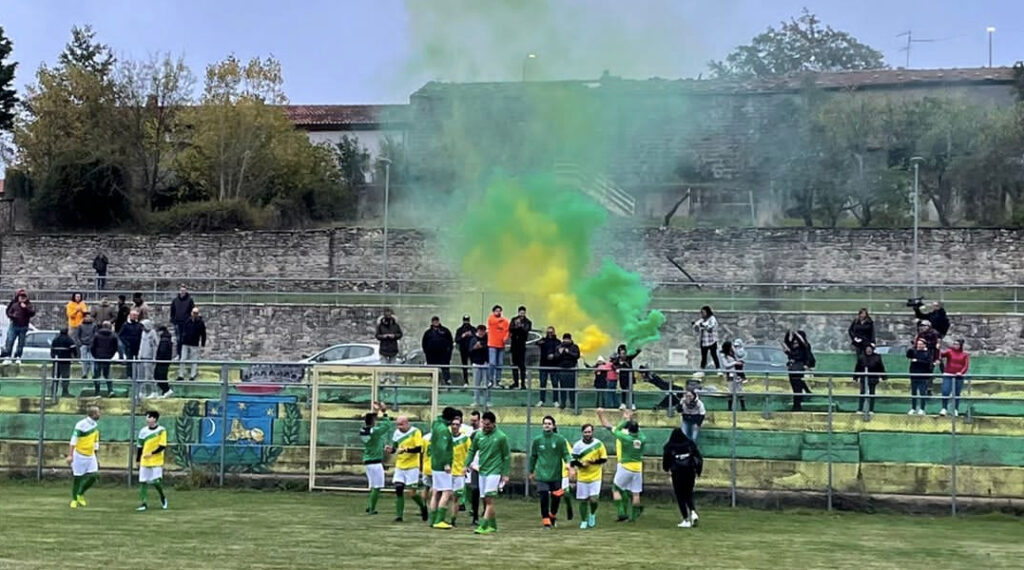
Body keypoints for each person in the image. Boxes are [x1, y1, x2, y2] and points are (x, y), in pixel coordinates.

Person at [597, 407, 646, 522]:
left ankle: (621, 512)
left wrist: (624, 419)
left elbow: (611, 428)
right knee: (635, 493)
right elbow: (637, 430)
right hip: (638, 467)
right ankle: (634, 516)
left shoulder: (624, 437)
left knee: (616, 488)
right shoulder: (642, 438)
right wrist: (630, 419)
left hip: (625, 465)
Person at [465, 411, 510, 535]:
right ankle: (493, 525)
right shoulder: (479, 435)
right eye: (484, 424)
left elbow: (506, 456)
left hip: (494, 471)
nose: (485, 427)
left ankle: (483, 525)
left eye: (488, 425)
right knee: (485, 499)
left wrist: (505, 474)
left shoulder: (501, 437)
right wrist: (466, 464)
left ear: (494, 424)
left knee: (489, 498)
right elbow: (472, 450)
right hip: (482, 470)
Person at [529, 415, 575, 529]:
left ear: (553, 426)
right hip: (542, 474)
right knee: (544, 496)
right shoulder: (537, 440)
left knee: (556, 497)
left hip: (556, 474)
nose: (547, 425)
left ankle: (552, 515)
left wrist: (569, 465)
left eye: (549, 423)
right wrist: (531, 471)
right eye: (545, 423)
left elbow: (565, 454)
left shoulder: (560, 440)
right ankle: (546, 521)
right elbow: (533, 456)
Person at [386, 415, 428, 522]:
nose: (399, 426)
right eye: (397, 424)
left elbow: (419, 448)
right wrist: (390, 450)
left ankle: (423, 507)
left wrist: (406, 450)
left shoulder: (415, 432)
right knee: (398, 488)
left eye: (401, 424)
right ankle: (399, 515)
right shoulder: (396, 433)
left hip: (412, 466)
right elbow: (395, 448)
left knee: (412, 493)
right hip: (400, 465)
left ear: (407, 423)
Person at [662, 427, 703, 528]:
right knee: (688, 494)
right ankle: (693, 512)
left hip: (677, 474)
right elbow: (698, 458)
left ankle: (686, 519)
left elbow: (666, 461)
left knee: (680, 496)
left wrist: (666, 468)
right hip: (690, 473)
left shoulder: (669, 446)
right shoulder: (690, 444)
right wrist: (698, 471)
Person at [571, 423, 608, 530]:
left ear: (592, 432)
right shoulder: (578, 445)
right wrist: (581, 465)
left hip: (595, 476)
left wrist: (593, 462)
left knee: (594, 499)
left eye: (589, 432)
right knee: (583, 500)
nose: (587, 434)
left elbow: (604, 459)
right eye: (585, 432)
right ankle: (583, 520)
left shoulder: (598, 444)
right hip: (582, 476)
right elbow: (573, 461)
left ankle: (592, 514)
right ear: (582, 433)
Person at [428, 406, 458, 529]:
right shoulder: (444, 430)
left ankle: (433, 519)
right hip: (442, 465)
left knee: (436, 492)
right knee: (447, 492)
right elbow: (443, 448)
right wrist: (446, 463)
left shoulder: (436, 424)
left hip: (434, 463)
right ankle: (439, 520)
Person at [360, 401, 392, 515]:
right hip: (375, 462)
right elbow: (387, 425)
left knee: (373, 486)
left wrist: (375, 411)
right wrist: (384, 412)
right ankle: (372, 508)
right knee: (377, 486)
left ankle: (370, 506)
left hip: (368, 460)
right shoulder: (375, 432)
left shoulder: (364, 430)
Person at [67, 405, 101, 508]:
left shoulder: (95, 425)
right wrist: (70, 455)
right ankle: (74, 499)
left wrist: (96, 455)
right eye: (98, 412)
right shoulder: (80, 425)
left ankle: (80, 493)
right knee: (78, 478)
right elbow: (73, 440)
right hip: (79, 454)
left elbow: (95, 441)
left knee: (94, 476)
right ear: (93, 414)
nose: (100, 414)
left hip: (90, 455)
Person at [134, 410, 168, 511]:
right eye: (147, 417)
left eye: (149, 417)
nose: (147, 419)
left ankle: (163, 497)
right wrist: (138, 460)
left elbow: (162, 446)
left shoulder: (162, 430)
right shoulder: (143, 431)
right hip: (145, 460)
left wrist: (152, 453)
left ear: (154, 419)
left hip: (157, 460)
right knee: (143, 481)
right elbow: (140, 447)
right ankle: (143, 503)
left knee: (156, 481)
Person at [783, 330, 815, 411]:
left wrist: (796, 334)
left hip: (798, 368)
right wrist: (788, 332)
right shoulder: (792, 349)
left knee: (798, 388)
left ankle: (797, 405)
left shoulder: (804, 347)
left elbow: (802, 341)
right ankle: (797, 404)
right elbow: (786, 342)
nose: (795, 342)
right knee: (795, 388)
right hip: (792, 369)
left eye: (797, 340)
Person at [449, 415, 472, 527]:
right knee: (441, 495)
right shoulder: (446, 438)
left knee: (455, 497)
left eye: (457, 424)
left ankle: (453, 519)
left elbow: (470, 453)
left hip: (459, 472)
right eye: (453, 424)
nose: (454, 426)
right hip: (446, 472)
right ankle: (438, 517)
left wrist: (466, 466)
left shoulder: (465, 439)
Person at [4, 289, 35, 364]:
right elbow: (8, 312)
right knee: (10, 340)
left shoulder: (29, 305)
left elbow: (32, 313)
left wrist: (25, 308)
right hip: (14, 325)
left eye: (24, 297)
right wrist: (12, 316)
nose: (22, 298)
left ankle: (18, 356)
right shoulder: (14, 304)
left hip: (23, 326)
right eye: (21, 297)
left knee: (21, 343)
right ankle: (8, 356)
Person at [940, 339, 970, 417]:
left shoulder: (965, 354)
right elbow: (941, 355)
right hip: (948, 374)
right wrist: (937, 349)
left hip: (958, 376)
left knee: (957, 393)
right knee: (945, 391)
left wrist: (961, 372)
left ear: (960, 346)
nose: (955, 346)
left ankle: (955, 409)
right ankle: (944, 408)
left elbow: (966, 365)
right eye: (954, 344)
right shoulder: (949, 352)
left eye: (957, 344)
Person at [421, 316, 454, 386]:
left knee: (445, 370)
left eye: (437, 321)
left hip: (443, 355)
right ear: (432, 322)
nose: (436, 322)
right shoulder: (428, 333)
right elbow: (424, 344)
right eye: (434, 321)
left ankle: (447, 384)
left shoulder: (445, 331)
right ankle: (435, 384)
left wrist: (449, 353)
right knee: (432, 370)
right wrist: (427, 352)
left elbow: (450, 343)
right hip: (431, 356)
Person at [855, 344, 886, 416]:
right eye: (867, 349)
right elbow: (857, 368)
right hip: (863, 378)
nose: (868, 350)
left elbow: (881, 367)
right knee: (862, 393)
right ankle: (860, 409)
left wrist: (883, 376)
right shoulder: (861, 357)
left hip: (873, 378)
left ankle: (871, 409)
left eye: (870, 349)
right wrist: (856, 377)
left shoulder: (877, 357)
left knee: (872, 393)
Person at [177, 307, 207, 382]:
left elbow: (203, 334)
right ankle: (181, 375)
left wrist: (203, 344)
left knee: (194, 359)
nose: (194, 315)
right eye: (194, 313)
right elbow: (183, 331)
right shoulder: (187, 321)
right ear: (191, 313)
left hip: (194, 343)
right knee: (183, 359)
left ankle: (192, 375)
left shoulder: (200, 322)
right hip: (186, 342)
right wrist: (181, 340)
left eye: (196, 313)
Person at [906, 338, 934, 416]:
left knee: (922, 393)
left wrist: (918, 361)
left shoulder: (927, 353)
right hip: (914, 375)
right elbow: (908, 355)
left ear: (924, 345)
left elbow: (928, 363)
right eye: (918, 344)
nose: (919, 345)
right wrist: (912, 346)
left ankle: (922, 409)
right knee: (914, 393)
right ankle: (913, 408)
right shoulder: (914, 352)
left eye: (921, 344)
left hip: (923, 376)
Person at [375, 308, 402, 384]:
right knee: (383, 366)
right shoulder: (380, 325)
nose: (388, 314)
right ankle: (382, 380)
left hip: (393, 349)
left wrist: (394, 336)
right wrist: (384, 336)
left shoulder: (395, 325)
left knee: (393, 366)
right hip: (384, 349)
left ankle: (393, 380)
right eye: (386, 313)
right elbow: (377, 335)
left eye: (389, 313)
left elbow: (400, 334)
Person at [90, 322, 118, 397]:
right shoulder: (113, 336)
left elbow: (92, 346)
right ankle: (110, 390)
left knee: (97, 375)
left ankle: (97, 392)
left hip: (98, 357)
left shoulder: (96, 335)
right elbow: (115, 347)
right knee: (107, 374)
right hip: (107, 357)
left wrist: (95, 355)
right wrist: (110, 355)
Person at [555, 333, 581, 411]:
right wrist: (559, 353)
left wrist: (568, 352)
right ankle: (563, 403)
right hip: (562, 370)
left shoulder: (574, 347)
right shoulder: (559, 347)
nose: (566, 340)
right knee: (562, 387)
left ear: (570, 339)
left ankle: (572, 403)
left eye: (567, 339)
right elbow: (556, 357)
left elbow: (577, 356)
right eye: (565, 339)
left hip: (571, 370)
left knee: (572, 387)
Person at [611, 344, 641, 411]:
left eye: (624, 353)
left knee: (630, 390)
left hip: (629, 377)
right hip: (622, 377)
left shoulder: (629, 357)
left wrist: (637, 347)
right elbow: (613, 365)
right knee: (623, 391)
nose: (623, 355)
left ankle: (632, 404)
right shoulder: (617, 360)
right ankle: (623, 404)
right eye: (621, 353)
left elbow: (637, 352)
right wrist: (616, 369)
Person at [486, 305, 509, 389]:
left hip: (501, 345)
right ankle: (490, 380)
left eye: (499, 311)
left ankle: (498, 381)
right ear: (493, 312)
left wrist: (505, 338)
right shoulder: (491, 319)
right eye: (496, 311)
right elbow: (494, 322)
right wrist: (502, 320)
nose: (498, 312)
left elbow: (507, 331)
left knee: (499, 363)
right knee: (492, 362)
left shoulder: (505, 321)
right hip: (492, 344)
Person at [509, 306, 532, 389]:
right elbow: (510, 329)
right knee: (514, 365)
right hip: (514, 345)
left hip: (522, 345)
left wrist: (520, 326)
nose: (522, 314)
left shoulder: (528, 322)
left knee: (522, 366)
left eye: (523, 313)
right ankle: (515, 382)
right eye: (520, 313)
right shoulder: (513, 320)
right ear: (518, 312)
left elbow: (526, 330)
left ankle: (523, 383)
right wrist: (516, 326)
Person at [50, 327, 78, 398]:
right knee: (65, 377)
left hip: (56, 362)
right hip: (65, 361)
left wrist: (53, 357)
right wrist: (75, 356)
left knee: (55, 377)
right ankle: (65, 392)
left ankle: (53, 392)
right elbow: (73, 349)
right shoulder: (69, 340)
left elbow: (52, 350)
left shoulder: (55, 339)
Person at [537, 326, 561, 407]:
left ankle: (556, 401)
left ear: (554, 332)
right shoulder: (543, 341)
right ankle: (541, 400)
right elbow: (537, 343)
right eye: (548, 332)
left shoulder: (558, 342)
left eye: (551, 332)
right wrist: (540, 342)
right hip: (543, 365)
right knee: (542, 384)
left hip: (554, 366)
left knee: (555, 384)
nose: (550, 334)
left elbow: (559, 353)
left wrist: (553, 356)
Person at [169, 286, 195, 358]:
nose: (182, 292)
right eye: (181, 291)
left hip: (186, 324)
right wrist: (173, 320)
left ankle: (187, 355)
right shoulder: (175, 300)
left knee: (187, 340)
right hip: (177, 323)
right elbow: (172, 311)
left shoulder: (190, 300)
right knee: (178, 340)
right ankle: (179, 355)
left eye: (184, 291)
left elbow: (192, 311)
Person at [119, 310, 144, 383]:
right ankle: (129, 375)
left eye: (136, 315)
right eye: (133, 315)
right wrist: (126, 343)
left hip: (138, 346)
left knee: (137, 361)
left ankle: (137, 375)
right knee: (129, 361)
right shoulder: (125, 325)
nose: (135, 316)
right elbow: (121, 335)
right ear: (130, 315)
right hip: (129, 346)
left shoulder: (139, 325)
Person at [468, 325, 490, 407]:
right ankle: (476, 401)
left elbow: (487, 348)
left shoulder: (487, 339)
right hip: (476, 363)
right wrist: (475, 347)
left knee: (486, 384)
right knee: (476, 384)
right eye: (480, 331)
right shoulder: (473, 339)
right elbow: (470, 350)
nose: (481, 333)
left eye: (483, 331)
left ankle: (487, 401)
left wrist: (482, 346)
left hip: (485, 363)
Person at [721, 340, 746, 411]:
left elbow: (740, 356)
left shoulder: (734, 353)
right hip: (730, 374)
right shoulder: (724, 355)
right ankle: (729, 408)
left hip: (738, 373)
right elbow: (726, 365)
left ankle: (743, 407)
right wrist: (735, 363)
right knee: (730, 391)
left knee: (740, 390)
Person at [72, 314, 97, 380]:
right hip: (83, 344)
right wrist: (80, 343)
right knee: (84, 360)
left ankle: (93, 374)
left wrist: (93, 343)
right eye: (86, 317)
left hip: (91, 345)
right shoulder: (80, 326)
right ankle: (84, 374)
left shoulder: (94, 326)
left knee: (92, 360)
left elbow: (95, 335)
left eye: (89, 317)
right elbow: (77, 336)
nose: (88, 318)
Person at [139, 320, 159, 399]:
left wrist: (154, 357)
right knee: (142, 376)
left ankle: (154, 391)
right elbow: (141, 344)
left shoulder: (153, 333)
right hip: (142, 357)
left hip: (149, 357)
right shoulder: (143, 333)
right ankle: (142, 392)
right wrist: (139, 355)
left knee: (149, 376)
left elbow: (155, 345)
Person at [455, 315, 476, 385]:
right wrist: (462, 336)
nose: (466, 322)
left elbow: (477, 337)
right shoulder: (459, 330)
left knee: (474, 365)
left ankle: (476, 380)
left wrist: (471, 334)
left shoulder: (473, 329)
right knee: (464, 366)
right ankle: (465, 381)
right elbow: (456, 340)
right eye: (465, 320)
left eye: (467, 320)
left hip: (473, 350)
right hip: (463, 350)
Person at [154, 326, 174, 398]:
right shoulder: (168, 339)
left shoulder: (164, 340)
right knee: (161, 377)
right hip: (165, 361)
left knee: (160, 377)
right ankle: (164, 391)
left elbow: (162, 351)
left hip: (162, 362)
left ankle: (167, 390)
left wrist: (158, 358)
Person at [114, 295, 130, 360]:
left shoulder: (124, 308)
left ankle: (122, 358)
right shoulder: (121, 307)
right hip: (119, 328)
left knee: (120, 344)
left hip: (121, 329)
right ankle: (122, 357)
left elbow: (121, 319)